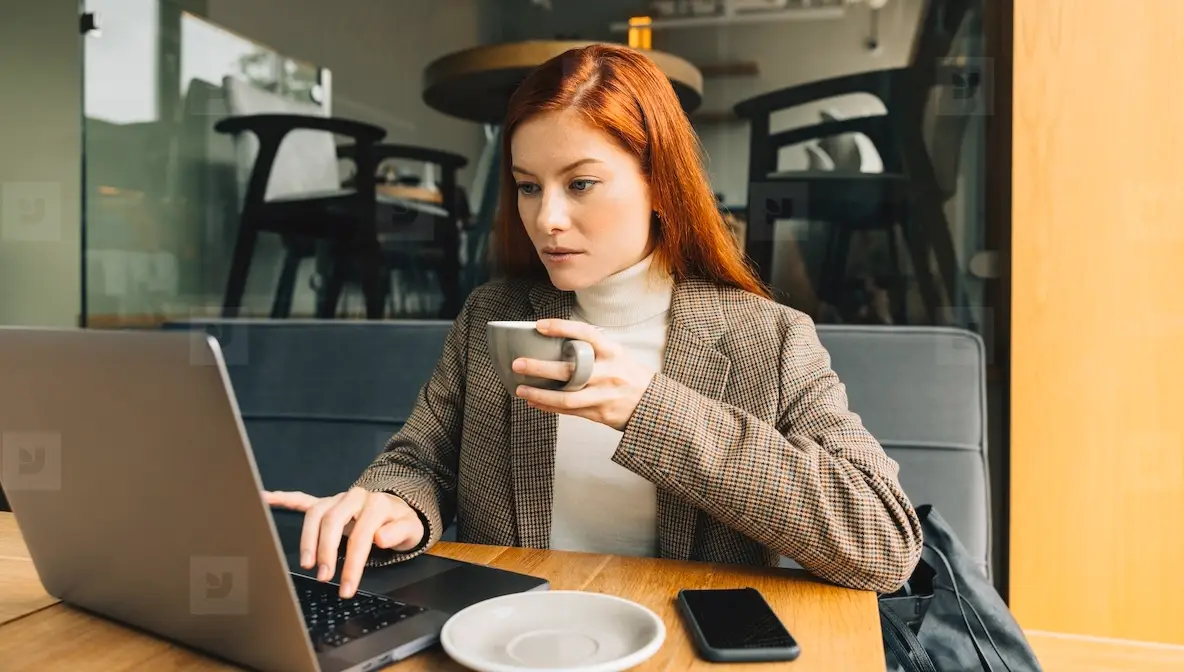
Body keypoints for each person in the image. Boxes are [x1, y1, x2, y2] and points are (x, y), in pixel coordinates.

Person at [266, 44, 922, 600]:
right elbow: (421, 461)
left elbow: (884, 546)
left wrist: (651, 410)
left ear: (661, 185)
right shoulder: (493, 315)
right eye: (528, 186)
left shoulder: (768, 338)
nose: (547, 218)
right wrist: (396, 506)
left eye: (580, 184)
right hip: (513, 644)